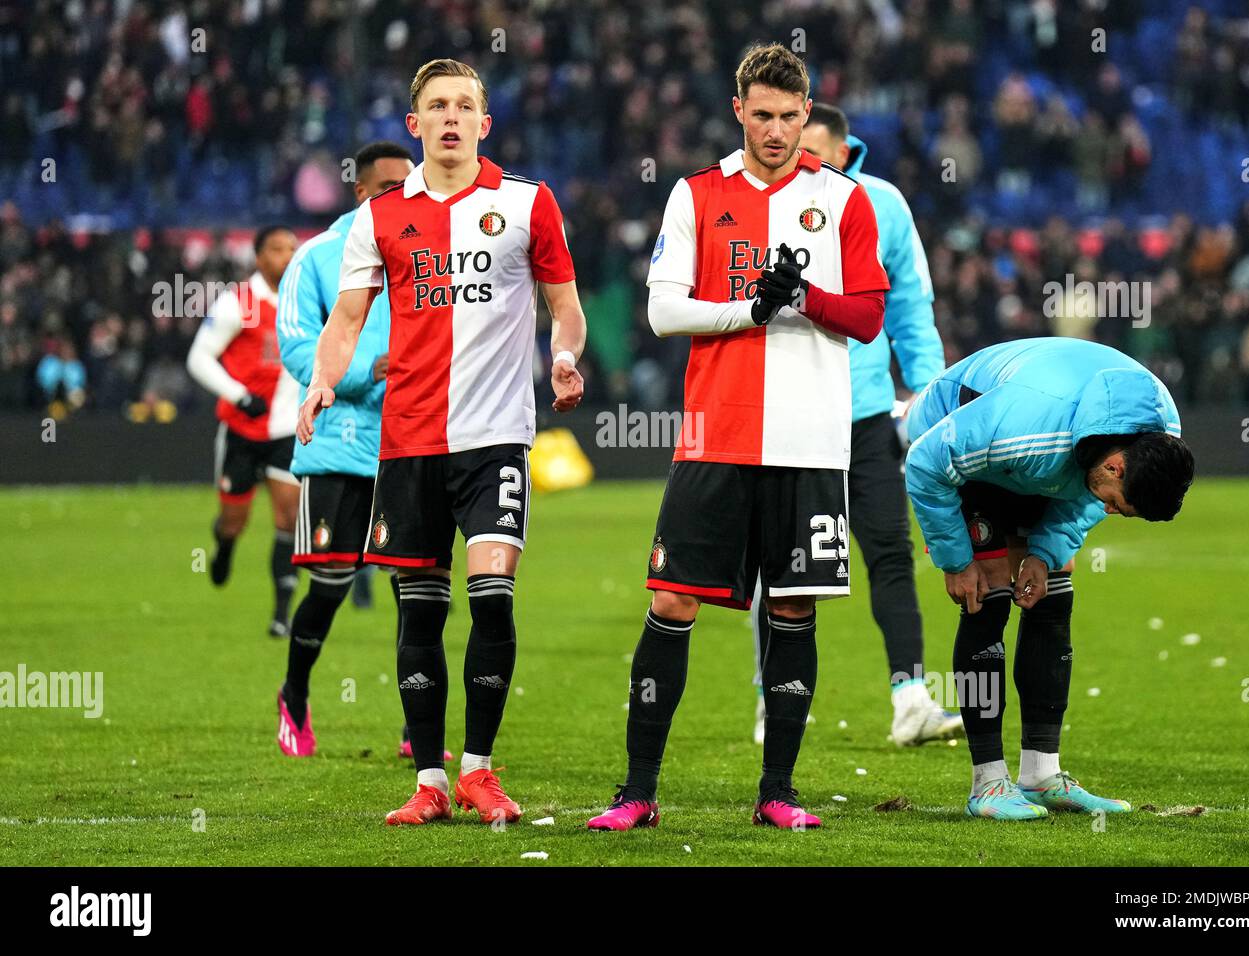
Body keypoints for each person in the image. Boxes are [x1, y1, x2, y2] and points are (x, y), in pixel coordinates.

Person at [587, 43, 888, 833]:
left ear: (807, 114)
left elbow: (865, 316)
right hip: (712, 435)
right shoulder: (695, 195)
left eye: (792, 117)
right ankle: (638, 792)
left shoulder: (846, 201)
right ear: (739, 111)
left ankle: (778, 791)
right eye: (764, 115)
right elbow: (663, 309)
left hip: (811, 442)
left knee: (793, 610)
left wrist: (807, 297)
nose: (779, 130)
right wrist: (749, 309)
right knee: (670, 597)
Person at [296, 58, 587, 826]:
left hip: (496, 441)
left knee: (492, 598)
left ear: (484, 124)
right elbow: (348, 320)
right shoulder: (380, 216)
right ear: (414, 124)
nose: (451, 117)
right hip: (410, 444)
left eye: (465, 105)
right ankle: (429, 780)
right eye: (437, 106)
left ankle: (479, 771)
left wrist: (564, 355)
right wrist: (323, 381)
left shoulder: (528, 204)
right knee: (419, 614)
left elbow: (567, 305)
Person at [905, 337, 1195, 820]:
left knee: (1052, 586)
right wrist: (955, 560)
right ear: (1114, 466)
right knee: (989, 587)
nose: (1107, 510)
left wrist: (1044, 552)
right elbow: (926, 461)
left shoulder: (1158, 435)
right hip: (958, 429)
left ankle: (1040, 774)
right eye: (1117, 504)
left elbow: (1084, 497)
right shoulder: (1022, 429)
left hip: (1053, 457)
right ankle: (988, 785)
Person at [748, 102, 961, 748]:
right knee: (778, 564)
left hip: (865, 412)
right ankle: (772, 700)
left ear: (843, 152)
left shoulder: (882, 206)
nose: (795, 156)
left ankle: (911, 699)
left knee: (890, 551)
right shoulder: (767, 199)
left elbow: (910, 308)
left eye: (810, 148)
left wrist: (930, 396)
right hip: (790, 405)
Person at [274, 140, 430, 759]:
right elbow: (294, 342)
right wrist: (371, 367)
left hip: (414, 441)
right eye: (390, 185)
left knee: (416, 591)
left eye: (408, 182)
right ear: (361, 191)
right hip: (340, 447)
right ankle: (295, 695)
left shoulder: (430, 248)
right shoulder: (317, 256)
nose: (403, 193)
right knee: (332, 584)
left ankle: (417, 726)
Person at [186, 225, 300, 636]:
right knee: (235, 520)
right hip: (242, 430)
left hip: (288, 428)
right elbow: (199, 358)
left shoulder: (306, 301)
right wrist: (238, 395)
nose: (286, 256)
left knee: (290, 517)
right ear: (258, 256)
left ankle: (281, 614)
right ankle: (224, 546)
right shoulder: (240, 301)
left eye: (292, 248)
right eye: (276, 249)